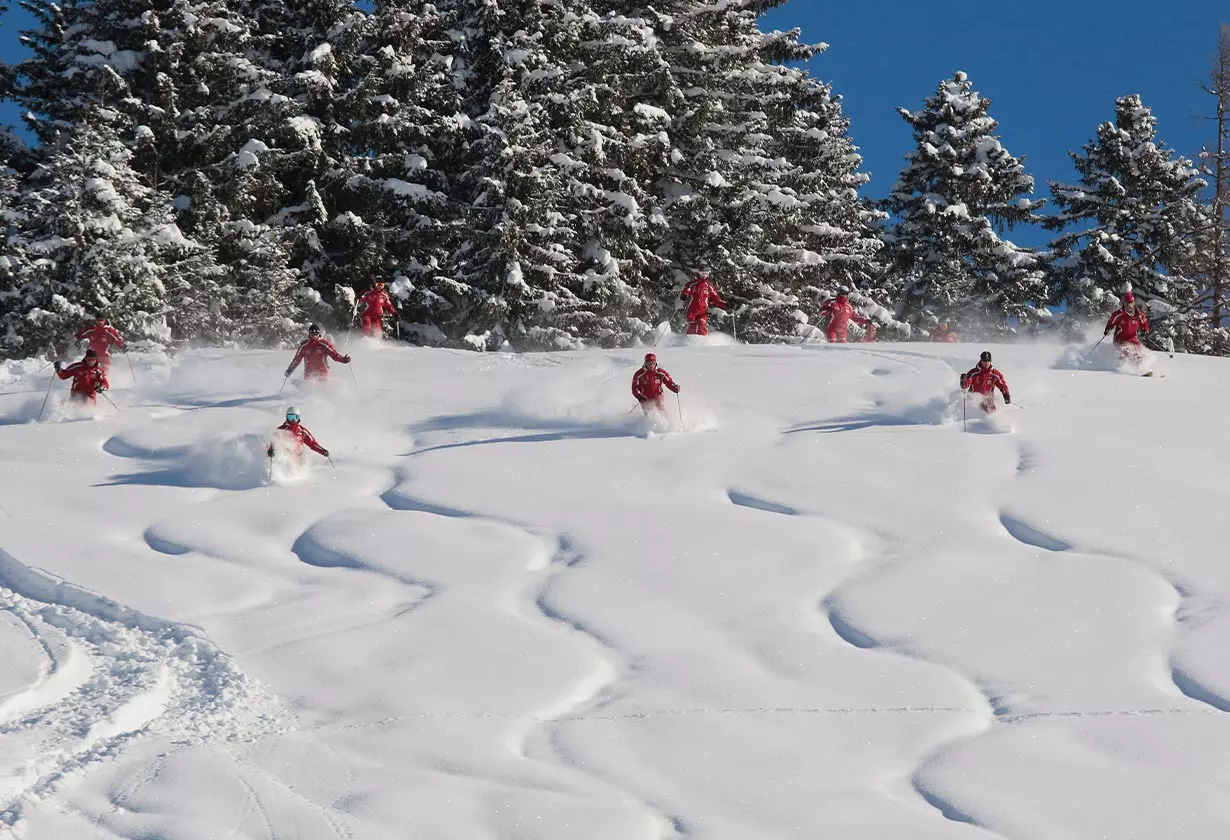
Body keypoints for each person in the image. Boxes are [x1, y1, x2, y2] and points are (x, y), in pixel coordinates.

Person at [285, 324, 351, 382]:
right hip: (309, 372)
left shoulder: (324, 344)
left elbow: (335, 355)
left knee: (322, 387)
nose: (314, 336)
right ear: (309, 334)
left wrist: (344, 359)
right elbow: (297, 360)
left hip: (322, 371)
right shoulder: (304, 345)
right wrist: (290, 370)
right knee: (309, 387)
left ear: (319, 334)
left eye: (316, 334)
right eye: (312, 334)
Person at [1104, 292, 1149, 363]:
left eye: (1131, 304)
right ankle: (1132, 364)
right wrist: (1108, 329)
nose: (1130, 307)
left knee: (1139, 349)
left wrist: (1145, 330)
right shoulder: (1119, 314)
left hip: (1133, 339)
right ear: (1124, 304)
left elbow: (1144, 323)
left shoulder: (1139, 315)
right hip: (1120, 339)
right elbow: (1111, 322)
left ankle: (1144, 364)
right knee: (1126, 349)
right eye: (1127, 305)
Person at [680, 270, 728, 336]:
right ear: (699, 273)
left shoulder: (709, 286)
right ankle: (690, 343)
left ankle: (702, 343)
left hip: (702, 312)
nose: (704, 276)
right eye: (702, 273)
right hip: (692, 311)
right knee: (692, 327)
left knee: (702, 324)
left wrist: (726, 305)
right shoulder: (693, 284)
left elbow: (716, 299)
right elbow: (687, 289)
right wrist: (684, 295)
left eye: (706, 274)